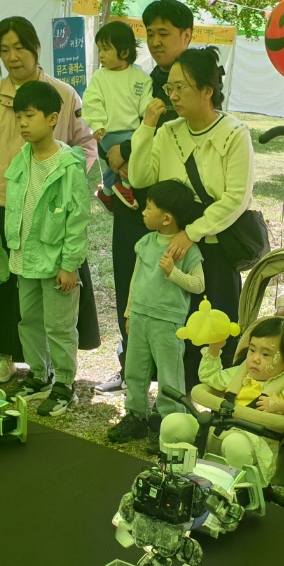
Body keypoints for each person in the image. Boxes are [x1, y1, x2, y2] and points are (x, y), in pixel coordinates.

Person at [0, 17, 97, 384]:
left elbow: (86, 143)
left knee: (52, 289)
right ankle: (2, 357)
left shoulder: (63, 94)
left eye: (19, 47)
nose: (12, 56)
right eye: (4, 50)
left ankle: (52, 366)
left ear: (36, 47)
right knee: (1, 287)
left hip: (48, 210)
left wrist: (66, 179)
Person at [127, 46, 254, 386]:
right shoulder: (168, 131)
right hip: (173, 245)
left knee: (212, 329)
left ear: (207, 90)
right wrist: (147, 127)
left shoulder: (234, 133)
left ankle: (210, 398)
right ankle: (173, 401)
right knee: (173, 328)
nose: (173, 95)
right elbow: (139, 177)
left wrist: (192, 233)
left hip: (213, 245)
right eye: (169, 87)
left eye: (181, 87)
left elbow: (236, 198)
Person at [95, 0, 195, 396]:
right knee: (130, 282)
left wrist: (125, 150)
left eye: (164, 33)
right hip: (132, 201)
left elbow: (175, 127)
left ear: (186, 35)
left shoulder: (201, 76)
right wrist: (112, 150)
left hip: (174, 207)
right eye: (150, 33)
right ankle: (130, 367)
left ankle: (176, 383)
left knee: (169, 291)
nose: (155, 41)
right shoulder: (142, 77)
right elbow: (111, 121)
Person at [3, 81, 91, 417]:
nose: (22, 123)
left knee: (59, 325)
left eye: (30, 116)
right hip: (25, 259)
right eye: (18, 117)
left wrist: (69, 265)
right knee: (29, 320)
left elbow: (77, 219)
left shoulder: (68, 165)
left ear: (53, 118)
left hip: (56, 263)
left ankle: (65, 383)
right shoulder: (21, 158)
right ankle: (39, 375)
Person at [163, 317, 284, 480]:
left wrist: (280, 405)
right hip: (215, 430)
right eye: (252, 350)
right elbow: (210, 377)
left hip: (253, 445)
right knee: (173, 423)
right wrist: (213, 349)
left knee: (235, 444)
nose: (255, 359)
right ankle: (174, 476)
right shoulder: (240, 374)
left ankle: (232, 491)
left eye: (266, 354)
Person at [106, 180, 206, 448]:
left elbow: (198, 285)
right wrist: (129, 312)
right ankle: (135, 415)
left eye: (149, 208)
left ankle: (169, 423)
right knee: (135, 370)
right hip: (140, 317)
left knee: (169, 375)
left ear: (166, 218)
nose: (143, 212)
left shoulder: (187, 249)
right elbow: (135, 279)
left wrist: (173, 273)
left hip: (168, 322)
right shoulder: (145, 243)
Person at [85, 19, 152, 210]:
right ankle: (124, 186)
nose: (101, 54)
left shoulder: (141, 78)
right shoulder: (100, 76)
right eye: (99, 49)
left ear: (124, 52)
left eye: (106, 49)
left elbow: (145, 107)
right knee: (133, 155)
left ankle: (107, 191)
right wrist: (97, 123)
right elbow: (91, 101)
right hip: (109, 132)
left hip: (132, 132)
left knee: (134, 151)